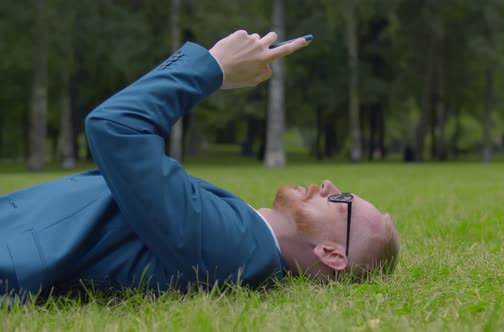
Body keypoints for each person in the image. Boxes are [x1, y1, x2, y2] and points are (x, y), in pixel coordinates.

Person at [0, 30, 400, 296]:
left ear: (332, 254)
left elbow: (116, 128)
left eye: (342, 199)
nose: (329, 184)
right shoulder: (243, 241)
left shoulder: (239, 248)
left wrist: (211, 67)